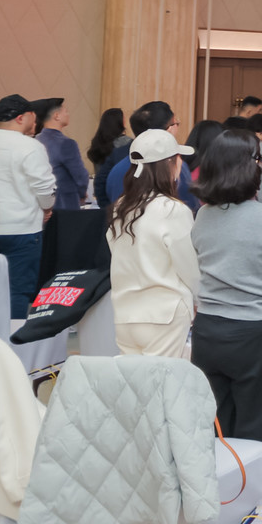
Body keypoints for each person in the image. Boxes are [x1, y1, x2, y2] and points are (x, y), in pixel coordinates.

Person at [106, 128, 198, 358]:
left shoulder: (120, 207)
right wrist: (199, 300)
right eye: (177, 157)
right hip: (165, 314)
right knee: (162, 379)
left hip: (125, 314)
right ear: (168, 164)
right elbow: (190, 267)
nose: (181, 162)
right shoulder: (173, 209)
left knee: (133, 378)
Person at [0, 94, 57, 317]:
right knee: (18, 289)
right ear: (21, 118)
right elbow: (44, 186)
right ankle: (13, 336)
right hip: (21, 228)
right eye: (32, 116)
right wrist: (47, 207)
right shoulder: (30, 146)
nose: (35, 121)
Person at [101, 102, 199, 211]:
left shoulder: (116, 170)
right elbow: (191, 208)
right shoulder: (176, 168)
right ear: (168, 130)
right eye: (176, 123)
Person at [32, 98, 89, 210]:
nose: (68, 114)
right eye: (66, 111)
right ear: (57, 116)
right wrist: (82, 194)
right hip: (64, 204)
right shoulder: (66, 143)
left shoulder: (35, 140)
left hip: (39, 204)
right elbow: (80, 176)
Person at [85, 107, 126, 191]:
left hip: (101, 189)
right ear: (121, 122)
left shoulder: (96, 143)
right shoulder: (125, 143)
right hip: (120, 190)